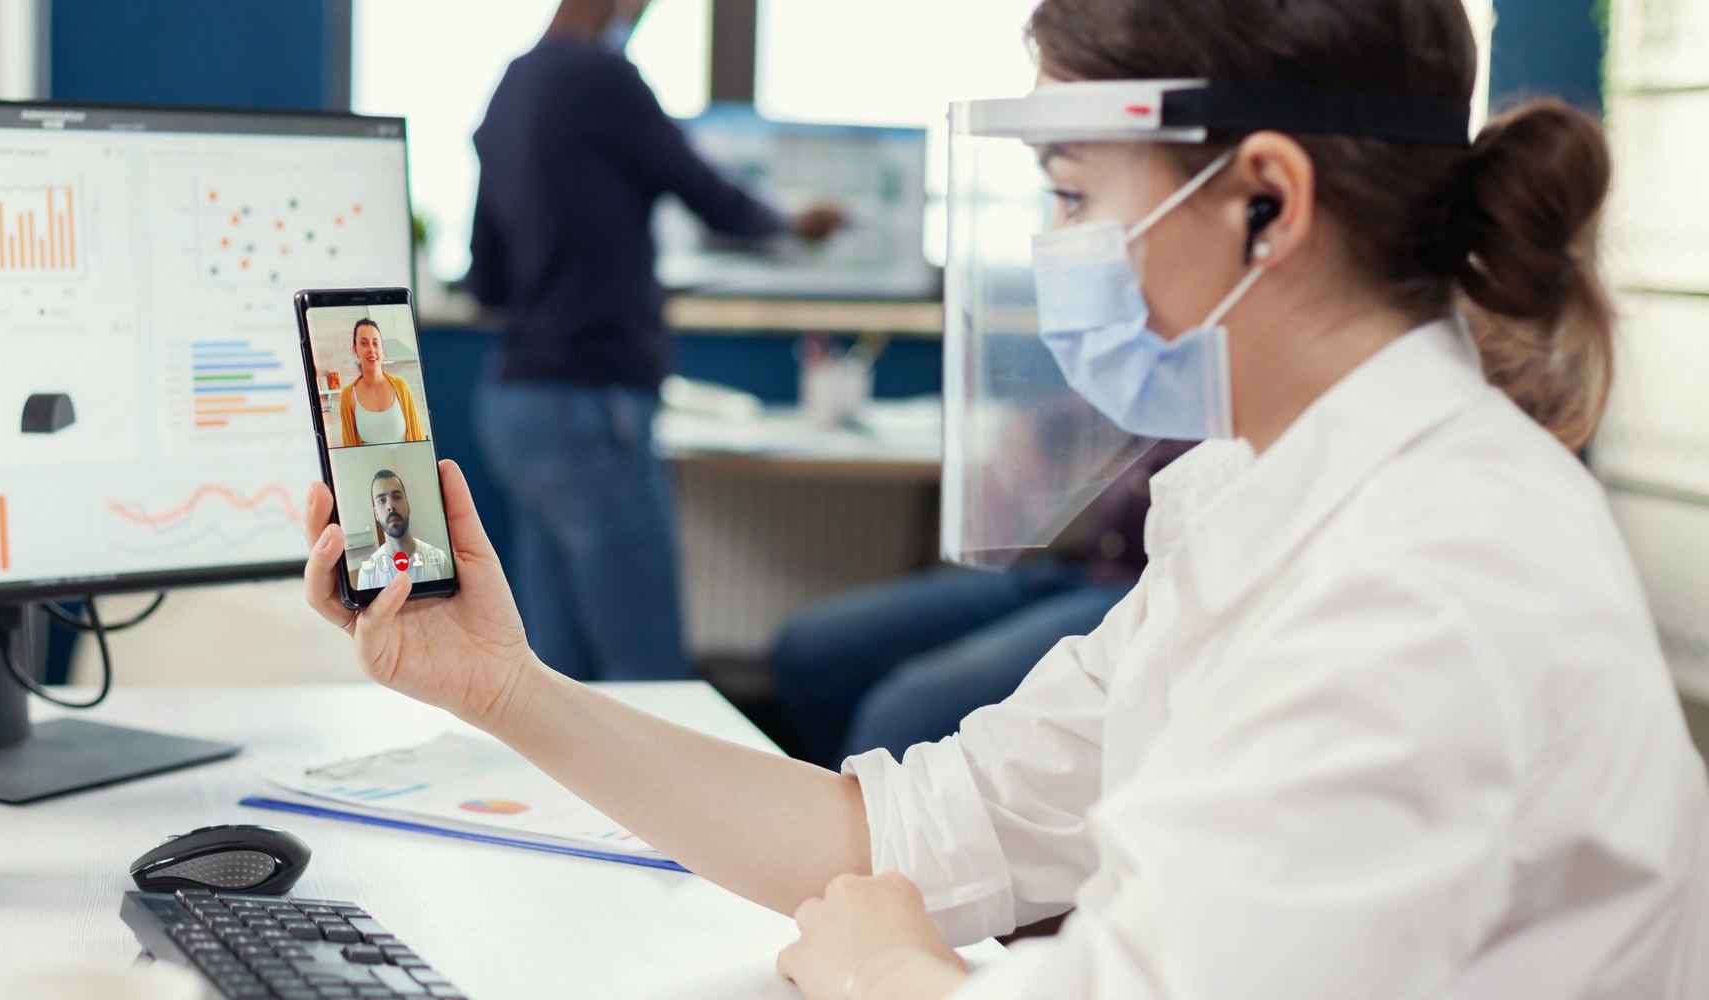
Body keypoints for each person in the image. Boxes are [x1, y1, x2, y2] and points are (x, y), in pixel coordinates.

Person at [303, 1, 1709, 997]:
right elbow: (893, 837)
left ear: (1265, 203)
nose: (1055, 249)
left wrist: (887, 972)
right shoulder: (1263, 498)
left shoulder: (1428, 585)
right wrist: (502, 687)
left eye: (1073, 188)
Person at [466, 0, 842, 682]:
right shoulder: (605, 77)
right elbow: (712, 196)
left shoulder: (511, 86)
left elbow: (486, 279)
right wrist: (793, 223)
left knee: (554, 678)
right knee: (652, 678)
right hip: (589, 406)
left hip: (517, 404)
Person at [772, 443, 1188, 765]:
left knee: (905, 713)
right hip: (1086, 566)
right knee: (812, 650)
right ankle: (848, 812)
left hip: (1150, 588)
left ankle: (869, 854)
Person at [354, 469, 450, 590]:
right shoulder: (368, 573)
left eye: (397, 497)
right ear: (376, 514)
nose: (390, 506)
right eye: (381, 500)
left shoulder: (439, 560)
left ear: (408, 506)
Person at [338, 318, 426, 446]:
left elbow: (417, 436)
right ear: (355, 350)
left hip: (404, 464)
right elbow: (349, 447)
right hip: (370, 466)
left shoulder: (401, 387)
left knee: (448, 465)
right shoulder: (348, 396)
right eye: (364, 343)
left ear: (382, 351)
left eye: (375, 343)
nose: (371, 349)